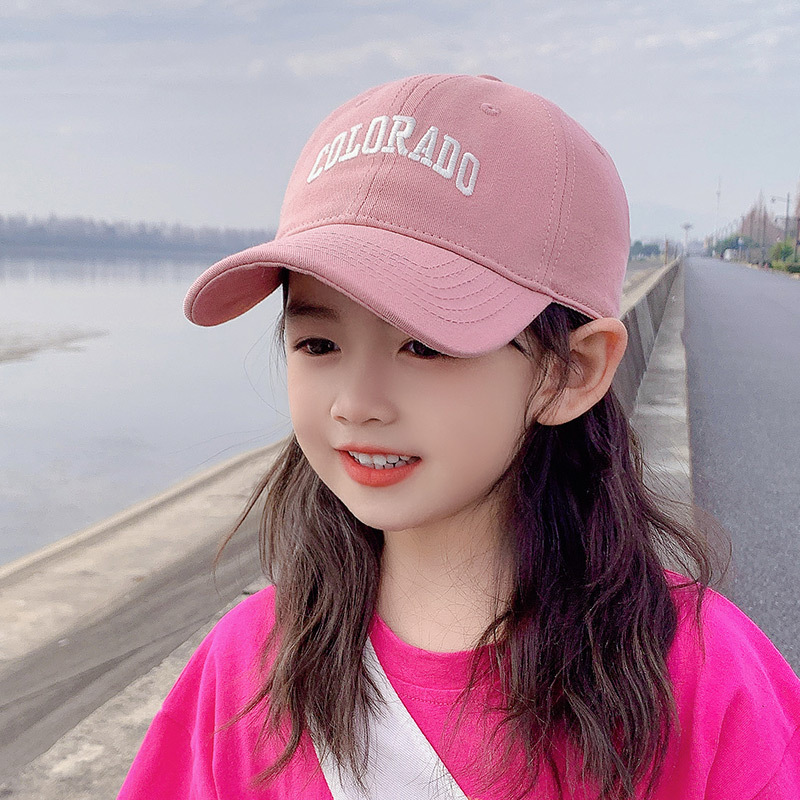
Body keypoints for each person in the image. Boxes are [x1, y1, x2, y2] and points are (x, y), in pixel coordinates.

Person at [118, 74, 800, 799]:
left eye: (424, 345)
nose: (356, 403)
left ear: (572, 371)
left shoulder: (705, 681)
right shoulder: (245, 672)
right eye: (318, 344)